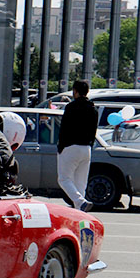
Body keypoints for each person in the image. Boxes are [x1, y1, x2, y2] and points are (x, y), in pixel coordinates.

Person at [57, 80, 99, 212]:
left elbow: (64, 129)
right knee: (81, 183)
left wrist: (61, 147)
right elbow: (93, 130)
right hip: (86, 148)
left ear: (75, 91)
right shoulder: (93, 109)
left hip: (71, 146)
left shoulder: (71, 107)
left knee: (64, 179)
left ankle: (80, 202)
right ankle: (80, 210)